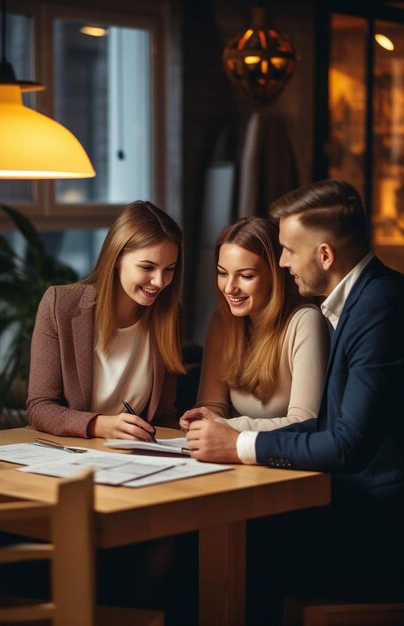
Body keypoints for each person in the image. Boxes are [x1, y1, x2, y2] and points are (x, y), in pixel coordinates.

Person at [183, 179, 404, 621]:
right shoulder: (359, 302)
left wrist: (239, 445)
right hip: (360, 507)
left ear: (324, 255)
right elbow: (328, 426)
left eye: (287, 249)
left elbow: (343, 442)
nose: (282, 262)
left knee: (236, 543)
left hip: (381, 528)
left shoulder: (379, 307)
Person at [27, 200, 185, 439]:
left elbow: (162, 415)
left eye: (169, 269)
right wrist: (100, 425)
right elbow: (40, 407)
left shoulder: (169, 315)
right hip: (70, 453)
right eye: (147, 267)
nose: (160, 281)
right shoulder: (60, 305)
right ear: (117, 257)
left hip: (134, 457)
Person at [180, 216, 330, 435]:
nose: (230, 288)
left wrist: (226, 425)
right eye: (222, 273)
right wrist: (200, 419)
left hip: (287, 461)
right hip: (235, 455)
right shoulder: (222, 322)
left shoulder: (305, 321)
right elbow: (212, 406)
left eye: (246, 276)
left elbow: (306, 422)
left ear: (275, 276)